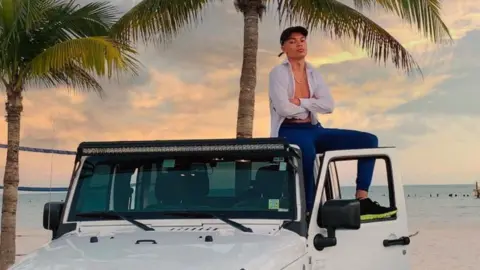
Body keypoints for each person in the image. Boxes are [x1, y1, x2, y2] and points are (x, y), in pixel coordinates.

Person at [268, 26, 397, 220]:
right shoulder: (278, 73)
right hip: (289, 130)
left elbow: (328, 106)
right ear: (284, 47)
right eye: (292, 41)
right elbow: (284, 109)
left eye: (302, 40)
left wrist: (301, 102)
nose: (299, 44)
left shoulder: (314, 73)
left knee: (369, 141)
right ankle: (309, 209)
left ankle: (362, 199)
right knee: (307, 154)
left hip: (314, 129)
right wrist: (312, 105)